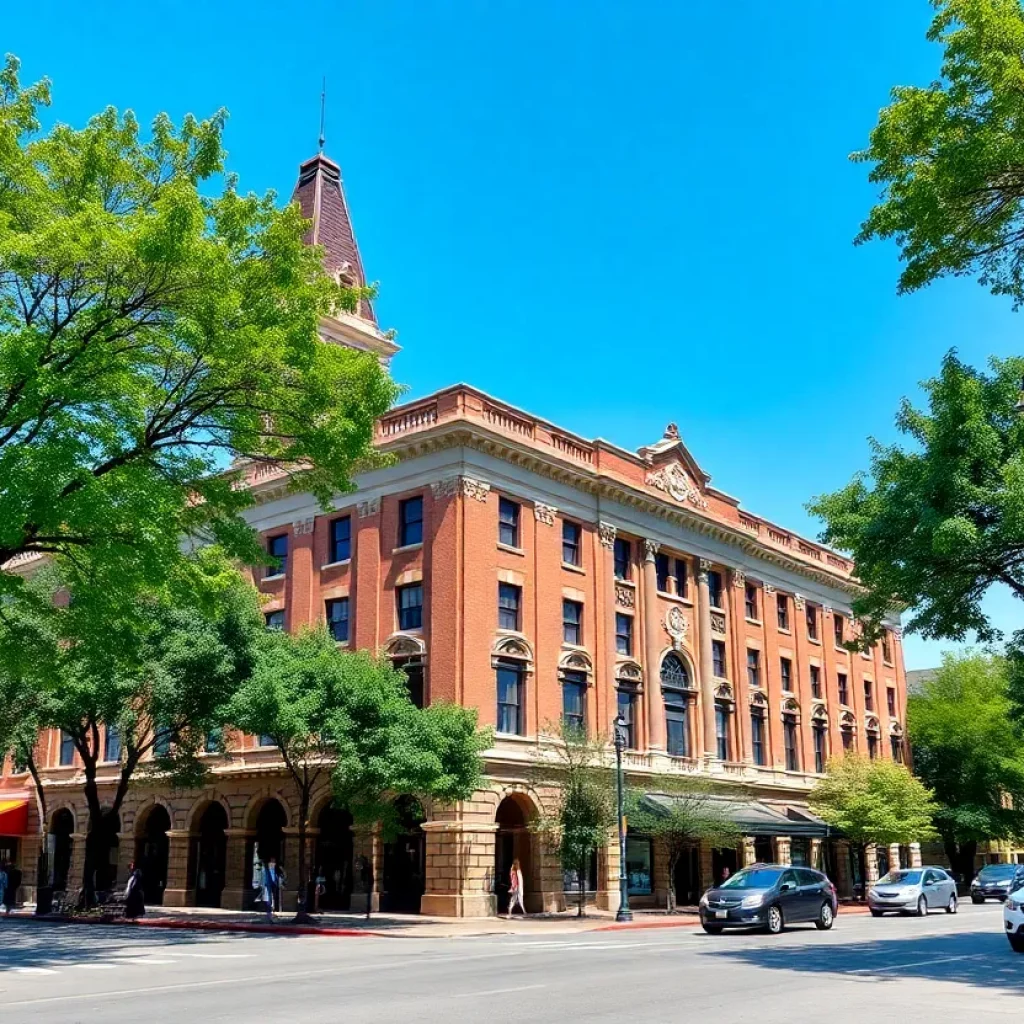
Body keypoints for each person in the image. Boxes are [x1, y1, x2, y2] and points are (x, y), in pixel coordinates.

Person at [259, 857, 279, 922]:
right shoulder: (266, 869)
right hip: (268, 885)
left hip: (273, 884)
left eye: (274, 862)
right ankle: (269, 912)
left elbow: (275, 876)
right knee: (269, 898)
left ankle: (271, 911)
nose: (273, 864)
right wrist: (263, 885)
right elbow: (264, 877)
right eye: (272, 862)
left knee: (272, 898)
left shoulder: (274, 869)